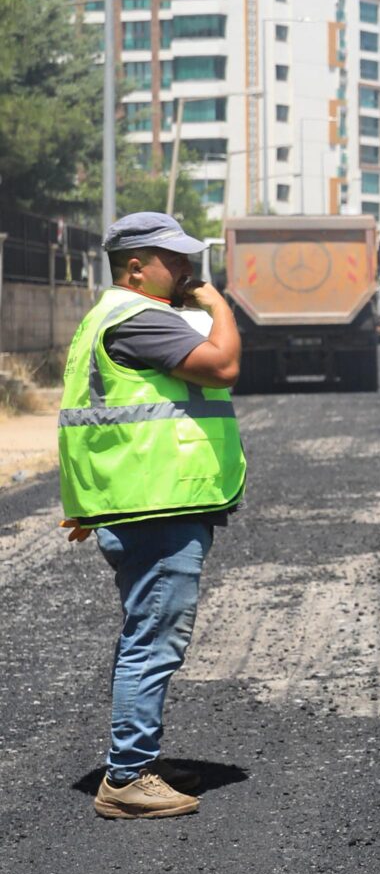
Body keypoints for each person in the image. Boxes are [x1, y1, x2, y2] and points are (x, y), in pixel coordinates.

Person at [60, 212, 246, 819]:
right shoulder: (138, 319)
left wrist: (96, 503)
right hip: (156, 504)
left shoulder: (111, 317)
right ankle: (128, 775)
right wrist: (218, 302)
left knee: (147, 632)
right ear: (136, 266)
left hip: (144, 499)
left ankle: (136, 758)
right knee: (155, 637)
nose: (189, 269)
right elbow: (222, 366)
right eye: (176, 259)